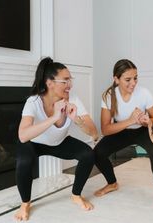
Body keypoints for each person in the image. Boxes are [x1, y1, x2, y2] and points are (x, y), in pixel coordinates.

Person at [15, 57, 99, 221]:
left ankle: (76, 195)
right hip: (33, 144)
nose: (70, 85)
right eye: (65, 80)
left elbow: (94, 133)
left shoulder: (73, 99)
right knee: (23, 162)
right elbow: (23, 135)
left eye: (70, 80)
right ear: (50, 83)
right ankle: (25, 203)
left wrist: (77, 120)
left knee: (88, 154)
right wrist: (54, 117)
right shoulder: (34, 101)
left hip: (59, 142)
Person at [93, 59, 153, 204]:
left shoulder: (144, 93)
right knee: (98, 153)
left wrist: (146, 120)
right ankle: (112, 183)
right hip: (121, 130)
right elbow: (105, 129)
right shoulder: (108, 96)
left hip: (141, 130)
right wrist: (130, 121)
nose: (133, 83)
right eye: (128, 79)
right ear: (116, 79)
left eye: (135, 78)